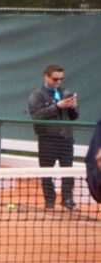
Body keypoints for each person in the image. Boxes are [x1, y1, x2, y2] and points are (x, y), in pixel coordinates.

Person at [27, 64, 79, 211]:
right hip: (47, 139)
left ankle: (67, 199)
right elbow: (36, 115)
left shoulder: (66, 93)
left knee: (68, 171)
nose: (58, 82)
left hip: (66, 140)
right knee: (46, 172)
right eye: (55, 79)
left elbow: (74, 117)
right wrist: (57, 107)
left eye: (61, 79)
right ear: (46, 77)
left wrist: (73, 107)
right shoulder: (36, 95)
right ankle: (49, 201)